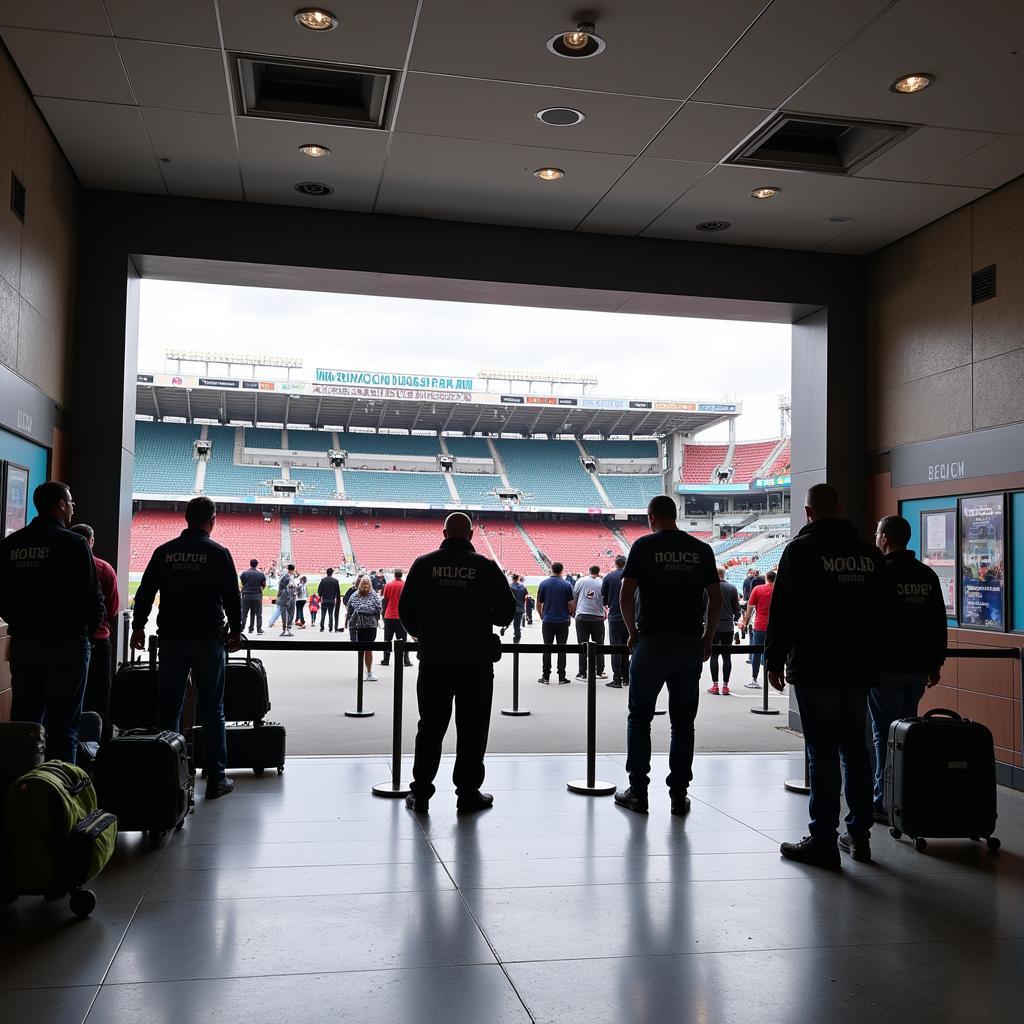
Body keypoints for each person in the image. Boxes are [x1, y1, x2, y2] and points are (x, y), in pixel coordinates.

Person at [765, 483, 886, 867]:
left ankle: (823, 839)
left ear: (808, 512)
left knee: (822, 752)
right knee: (856, 748)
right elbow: (883, 613)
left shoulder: (801, 550)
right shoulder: (869, 553)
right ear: (840, 508)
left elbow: (786, 609)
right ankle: (860, 834)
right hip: (858, 667)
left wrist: (774, 657)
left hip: (817, 666)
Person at [400, 513, 515, 814]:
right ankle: (467, 793)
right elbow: (505, 613)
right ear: (472, 536)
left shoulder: (424, 564)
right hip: (475, 661)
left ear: (444, 532)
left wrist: (425, 634)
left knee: (430, 727)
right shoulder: (486, 567)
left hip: (435, 660)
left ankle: (421, 792)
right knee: (473, 729)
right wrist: (478, 616)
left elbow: (406, 611)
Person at [615, 495, 720, 816]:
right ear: (676, 516)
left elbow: (626, 594)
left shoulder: (644, 547)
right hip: (688, 643)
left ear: (651, 518)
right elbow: (715, 599)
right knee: (683, 724)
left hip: (652, 642)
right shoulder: (701, 549)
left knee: (640, 718)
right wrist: (707, 637)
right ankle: (678, 794)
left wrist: (632, 632)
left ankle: (639, 791)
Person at [130, 496, 241, 799]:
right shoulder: (218, 553)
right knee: (212, 709)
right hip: (208, 640)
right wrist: (236, 631)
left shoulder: (165, 552)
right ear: (212, 520)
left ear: (186, 519)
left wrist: (138, 626)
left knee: (168, 709)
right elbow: (232, 596)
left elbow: (145, 593)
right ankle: (217, 778)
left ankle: (165, 775)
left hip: (172, 640)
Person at [0, 482, 103, 763]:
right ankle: (60, 798)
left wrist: (21, 622)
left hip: (25, 644)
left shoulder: (11, 545)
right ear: (60, 504)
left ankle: (22, 793)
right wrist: (88, 634)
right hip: (67, 644)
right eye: (70, 502)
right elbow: (92, 597)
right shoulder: (74, 543)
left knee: (25, 727)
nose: (72, 508)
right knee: (64, 728)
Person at [870, 514, 947, 822]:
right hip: (917, 668)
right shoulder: (926, 575)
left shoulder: (878, 575)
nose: (875, 538)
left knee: (883, 734)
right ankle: (903, 794)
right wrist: (935, 663)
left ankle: (882, 799)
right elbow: (937, 622)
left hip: (884, 668)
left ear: (885, 539)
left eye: (877, 533)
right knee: (907, 732)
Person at [70, 523, 120, 742]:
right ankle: (100, 746)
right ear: (91, 541)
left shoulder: (62, 566)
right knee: (100, 696)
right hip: (99, 640)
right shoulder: (103, 568)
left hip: (68, 639)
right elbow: (113, 608)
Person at [536, 562, 574, 684]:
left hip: (548, 620)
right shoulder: (567, 584)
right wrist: (569, 614)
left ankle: (545, 676)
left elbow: (538, 604)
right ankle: (561, 676)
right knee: (562, 648)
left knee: (547, 648)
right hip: (562, 621)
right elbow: (571, 604)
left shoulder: (544, 583)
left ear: (551, 569)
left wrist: (542, 616)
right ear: (562, 570)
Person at [707, 566, 740, 696]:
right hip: (728, 627)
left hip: (712, 627)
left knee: (714, 655)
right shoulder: (732, 588)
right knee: (727, 656)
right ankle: (725, 686)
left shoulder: (708, 587)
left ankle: (715, 685)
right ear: (723, 574)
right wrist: (735, 618)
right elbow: (737, 609)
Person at [741, 570, 775, 690]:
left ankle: (754, 679)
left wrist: (744, 623)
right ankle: (774, 677)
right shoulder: (779, 589)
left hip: (760, 626)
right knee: (773, 652)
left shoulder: (757, 589)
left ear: (766, 578)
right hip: (774, 627)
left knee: (756, 652)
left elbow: (749, 609)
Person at [572, 565, 607, 680]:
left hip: (582, 616)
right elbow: (605, 601)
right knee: (599, 645)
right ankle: (600, 671)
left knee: (582, 645)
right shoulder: (601, 582)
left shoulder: (581, 581)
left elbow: (574, 597)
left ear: (589, 571)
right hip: (597, 617)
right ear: (598, 572)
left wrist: (574, 611)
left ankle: (582, 672)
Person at [347, 575, 382, 680]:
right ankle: (368, 672)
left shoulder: (354, 595)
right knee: (368, 649)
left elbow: (350, 609)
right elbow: (378, 608)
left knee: (362, 649)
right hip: (369, 626)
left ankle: (363, 672)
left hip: (361, 625)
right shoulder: (373, 595)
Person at [602, 554, 628, 688]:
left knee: (615, 647)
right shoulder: (632, 575)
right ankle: (626, 677)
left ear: (616, 563)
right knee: (627, 647)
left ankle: (617, 678)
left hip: (615, 616)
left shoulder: (609, 577)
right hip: (629, 616)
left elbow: (603, 596)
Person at [380, 568, 413, 668]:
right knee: (403, 639)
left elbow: (385, 600)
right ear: (402, 575)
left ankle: (386, 659)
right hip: (401, 616)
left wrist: (383, 614)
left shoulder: (388, 585)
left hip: (390, 615)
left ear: (394, 575)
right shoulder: (405, 585)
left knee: (387, 639)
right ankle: (406, 660)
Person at [239, 558, 266, 634]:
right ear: (257, 565)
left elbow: (243, 583)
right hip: (257, 596)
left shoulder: (244, 573)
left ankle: (242, 627)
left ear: (250, 564)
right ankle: (258, 629)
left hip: (246, 596)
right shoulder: (261, 574)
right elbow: (263, 585)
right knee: (258, 613)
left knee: (244, 613)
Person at [505, 573, 527, 642]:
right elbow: (525, 597)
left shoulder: (509, 587)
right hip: (520, 608)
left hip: (511, 608)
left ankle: (504, 628)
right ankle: (517, 636)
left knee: (508, 620)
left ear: (512, 578)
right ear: (518, 579)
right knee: (517, 624)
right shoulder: (523, 587)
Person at [317, 567, 341, 632]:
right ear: (332, 573)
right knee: (331, 614)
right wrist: (337, 599)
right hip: (332, 600)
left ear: (326, 573)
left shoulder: (323, 580)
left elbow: (319, 591)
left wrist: (320, 595)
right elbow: (338, 592)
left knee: (323, 614)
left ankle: (322, 627)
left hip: (324, 600)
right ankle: (330, 628)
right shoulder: (335, 581)